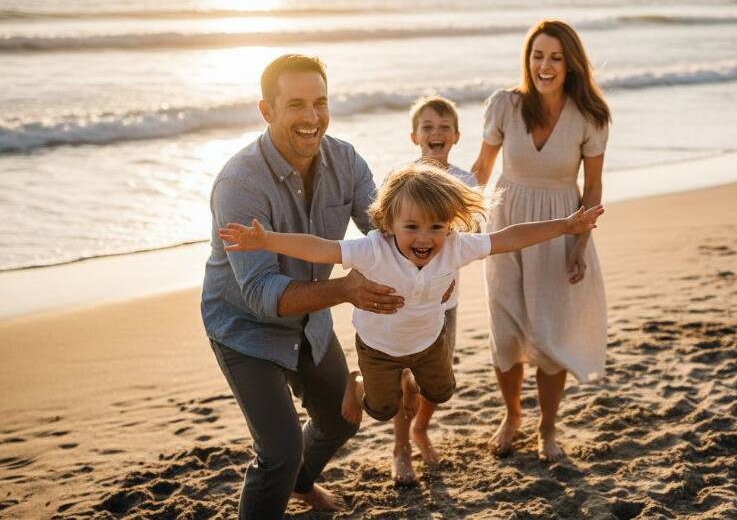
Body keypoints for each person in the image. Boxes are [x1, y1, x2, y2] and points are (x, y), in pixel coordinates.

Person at [218, 165, 604, 468]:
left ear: (450, 226)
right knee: (382, 411)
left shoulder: (456, 247)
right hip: (378, 349)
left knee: (442, 392)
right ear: (388, 224)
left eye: (437, 227)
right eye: (412, 227)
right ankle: (357, 382)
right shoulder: (372, 250)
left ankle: (411, 383)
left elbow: (510, 238)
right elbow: (320, 249)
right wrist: (268, 240)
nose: (425, 238)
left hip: (428, 342)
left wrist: (566, 226)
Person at [201, 53, 405, 520]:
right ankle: (286, 477)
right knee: (279, 451)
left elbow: (384, 232)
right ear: (266, 111)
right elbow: (262, 294)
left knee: (340, 419)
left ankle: (300, 485)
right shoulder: (239, 183)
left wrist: (429, 242)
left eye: (320, 102)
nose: (312, 118)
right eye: (296, 105)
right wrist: (348, 290)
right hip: (244, 329)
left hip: (310, 320)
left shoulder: (346, 161)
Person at [470, 20, 612, 461]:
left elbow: (592, 189)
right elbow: (480, 172)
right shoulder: (504, 106)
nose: (543, 66)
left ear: (570, 64)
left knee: (551, 333)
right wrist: (453, 218)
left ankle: (547, 428)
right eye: (537, 56)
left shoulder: (590, 116)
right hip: (504, 226)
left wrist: (579, 246)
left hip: (559, 228)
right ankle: (511, 416)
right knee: (506, 329)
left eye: (554, 57)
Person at [384, 95, 476, 484]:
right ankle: (401, 446)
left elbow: (472, 237)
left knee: (435, 383)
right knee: (405, 379)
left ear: (456, 135)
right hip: (404, 300)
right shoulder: (400, 179)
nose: (435, 134)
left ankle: (422, 426)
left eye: (443, 127)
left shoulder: (465, 182)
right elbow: (384, 235)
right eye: (427, 127)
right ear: (414, 136)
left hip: (444, 302)